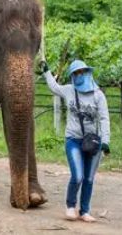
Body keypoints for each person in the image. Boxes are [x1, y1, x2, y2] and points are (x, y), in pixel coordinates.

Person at [40, 59, 110, 223]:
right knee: (77, 176)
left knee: (89, 178)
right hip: (73, 140)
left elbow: (105, 118)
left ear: (87, 73)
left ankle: (84, 210)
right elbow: (54, 87)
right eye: (75, 73)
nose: (79, 76)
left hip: (93, 143)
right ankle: (70, 206)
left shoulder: (98, 95)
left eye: (81, 72)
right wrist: (46, 72)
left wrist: (105, 141)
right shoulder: (69, 90)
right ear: (72, 76)